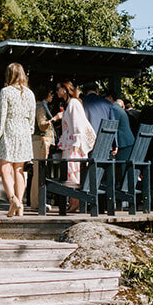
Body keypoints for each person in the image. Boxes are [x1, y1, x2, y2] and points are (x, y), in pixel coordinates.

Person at [0, 63, 36, 218]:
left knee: (5, 168)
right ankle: (20, 206)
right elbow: (32, 119)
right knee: (19, 170)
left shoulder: (5, 92)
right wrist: (28, 132)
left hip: (10, 130)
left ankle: (13, 199)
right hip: (25, 132)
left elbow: (2, 116)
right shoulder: (30, 94)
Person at [58, 79, 94, 214]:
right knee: (72, 173)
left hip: (73, 144)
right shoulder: (72, 104)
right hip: (70, 142)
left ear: (65, 89)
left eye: (59, 89)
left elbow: (78, 124)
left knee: (73, 172)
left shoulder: (74, 103)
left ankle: (75, 201)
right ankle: (73, 201)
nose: (57, 92)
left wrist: (76, 143)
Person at [31, 87, 57, 212]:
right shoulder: (40, 106)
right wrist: (55, 119)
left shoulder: (40, 105)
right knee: (39, 173)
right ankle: (37, 202)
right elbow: (42, 125)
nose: (52, 96)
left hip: (39, 141)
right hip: (41, 141)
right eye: (51, 93)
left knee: (38, 172)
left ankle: (36, 201)